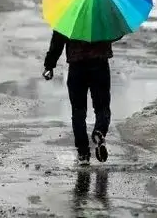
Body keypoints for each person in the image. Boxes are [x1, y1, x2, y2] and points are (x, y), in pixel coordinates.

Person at [43, 30, 113, 165]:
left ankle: (83, 153)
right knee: (102, 107)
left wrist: (49, 65)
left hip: (77, 66)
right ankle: (100, 132)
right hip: (100, 64)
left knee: (78, 111)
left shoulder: (70, 14)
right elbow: (115, 33)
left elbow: (58, 40)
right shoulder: (103, 13)